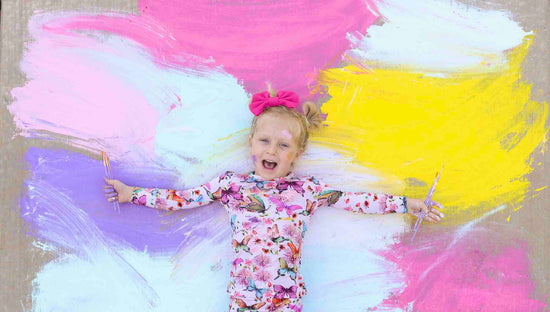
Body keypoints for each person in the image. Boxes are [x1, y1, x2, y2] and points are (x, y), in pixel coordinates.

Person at [104, 89, 444, 312]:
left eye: (283, 145)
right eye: (265, 141)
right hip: (244, 300)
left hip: (288, 300)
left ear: (296, 154)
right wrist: (132, 194)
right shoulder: (231, 185)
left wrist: (405, 204)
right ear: (251, 144)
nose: (271, 150)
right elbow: (182, 199)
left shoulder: (307, 190)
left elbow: (356, 200)